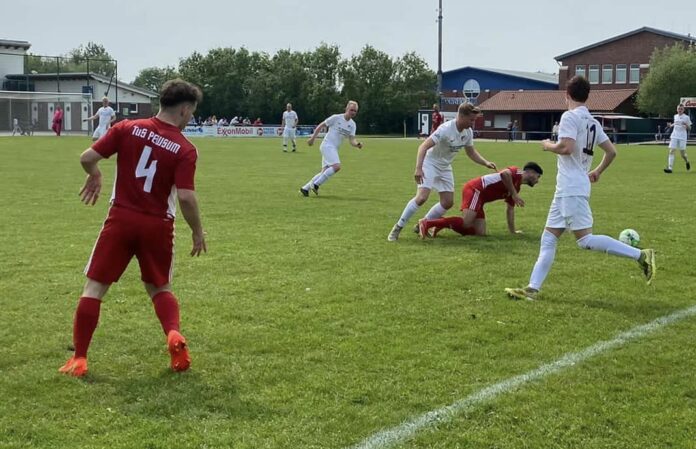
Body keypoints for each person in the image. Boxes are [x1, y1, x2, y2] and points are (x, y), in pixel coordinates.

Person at [59, 79, 207, 377]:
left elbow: (87, 158)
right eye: (191, 113)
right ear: (185, 109)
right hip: (158, 225)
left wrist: (95, 174)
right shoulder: (184, 148)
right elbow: (187, 197)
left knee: (95, 287)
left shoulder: (127, 128)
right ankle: (173, 334)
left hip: (121, 219)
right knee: (159, 287)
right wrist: (197, 231)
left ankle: (80, 359)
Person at [504, 75, 656, 301]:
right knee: (548, 238)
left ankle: (641, 255)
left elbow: (566, 147)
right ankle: (532, 289)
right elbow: (611, 152)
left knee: (585, 240)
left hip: (570, 188)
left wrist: (547, 146)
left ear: (567, 95)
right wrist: (597, 171)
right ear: (587, 96)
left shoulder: (569, 116)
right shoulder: (593, 122)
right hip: (568, 188)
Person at [387, 103, 497, 242]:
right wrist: (418, 168)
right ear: (461, 116)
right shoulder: (445, 129)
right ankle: (397, 228)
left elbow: (471, 152)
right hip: (430, 163)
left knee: (447, 202)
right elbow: (423, 147)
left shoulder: (467, 132)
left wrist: (485, 162)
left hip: (445, 167)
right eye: (471, 120)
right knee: (421, 198)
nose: (473, 123)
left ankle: (423, 223)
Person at [418, 163, 543, 238]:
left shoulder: (517, 187)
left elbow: (510, 210)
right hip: (475, 189)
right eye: (538, 177)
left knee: (480, 233)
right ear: (531, 172)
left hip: (480, 198)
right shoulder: (517, 172)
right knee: (466, 222)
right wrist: (515, 194)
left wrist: (513, 232)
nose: (537, 181)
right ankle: (427, 223)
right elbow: (505, 174)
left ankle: (441, 224)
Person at [299, 101, 363, 196]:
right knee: (337, 166)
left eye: (355, 111)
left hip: (333, 149)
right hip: (327, 145)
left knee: (324, 172)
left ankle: (305, 188)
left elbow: (351, 140)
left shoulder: (353, 124)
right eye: (351, 110)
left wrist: (357, 144)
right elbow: (321, 125)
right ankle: (316, 184)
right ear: (346, 109)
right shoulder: (336, 118)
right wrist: (313, 138)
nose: (353, 112)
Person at [664, 104, 691, 173]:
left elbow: (690, 128)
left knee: (682, 154)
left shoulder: (686, 117)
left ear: (683, 110)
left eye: (681, 109)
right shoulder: (675, 116)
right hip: (674, 136)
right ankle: (670, 168)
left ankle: (687, 161)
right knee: (671, 151)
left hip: (682, 137)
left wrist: (686, 125)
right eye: (678, 109)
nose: (680, 110)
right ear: (677, 109)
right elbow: (676, 123)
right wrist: (670, 125)